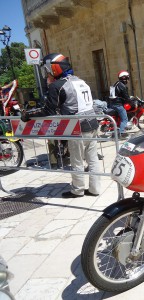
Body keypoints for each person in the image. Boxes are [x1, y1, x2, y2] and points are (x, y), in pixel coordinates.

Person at [21, 53, 100, 198]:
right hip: (93, 123)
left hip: (77, 128)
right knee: (92, 158)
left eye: (47, 70)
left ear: (55, 68)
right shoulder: (81, 81)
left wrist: (28, 115)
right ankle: (95, 189)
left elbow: (48, 110)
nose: (46, 74)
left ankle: (78, 190)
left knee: (77, 160)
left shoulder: (58, 85)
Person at [109, 70, 131, 138]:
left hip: (112, 103)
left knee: (120, 117)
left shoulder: (116, 84)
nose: (127, 80)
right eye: (127, 78)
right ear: (124, 78)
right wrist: (132, 103)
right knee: (125, 119)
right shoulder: (122, 86)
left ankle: (117, 130)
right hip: (118, 104)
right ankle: (122, 133)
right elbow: (126, 97)